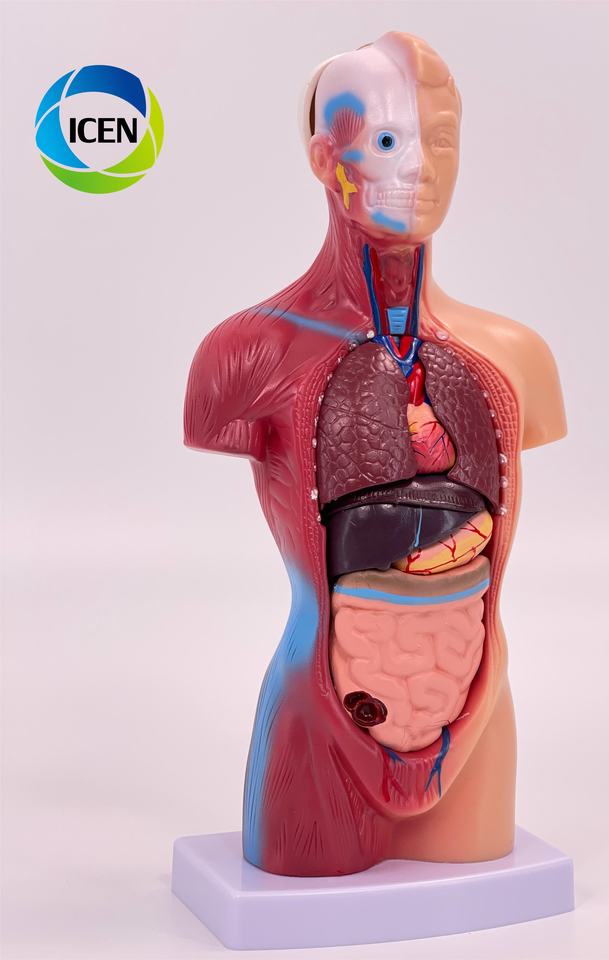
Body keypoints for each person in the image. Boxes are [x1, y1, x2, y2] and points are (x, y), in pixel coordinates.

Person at [184, 31, 566, 877]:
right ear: (326, 158)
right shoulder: (245, 354)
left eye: (440, 140)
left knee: (475, 875)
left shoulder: (514, 355)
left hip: (474, 711)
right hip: (319, 716)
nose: (421, 168)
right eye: (388, 139)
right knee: (303, 875)